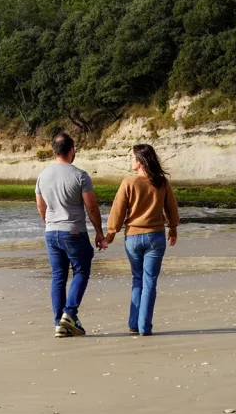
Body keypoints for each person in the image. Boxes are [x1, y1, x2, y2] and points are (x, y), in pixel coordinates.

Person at [35, 132, 106, 337]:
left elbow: (41, 206)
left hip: (51, 232)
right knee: (81, 271)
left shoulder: (43, 175)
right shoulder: (80, 175)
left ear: (53, 151)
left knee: (58, 276)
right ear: (72, 150)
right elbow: (91, 207)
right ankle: (69, 313)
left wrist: (49, 223)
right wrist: (99, 233)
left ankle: (60, 323)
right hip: (73, 231)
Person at [104, 144, 179, 336]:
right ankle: (144, 326)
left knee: (137, 279)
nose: (131, 161)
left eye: (132, 157)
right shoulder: (161, 182)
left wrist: (110, 234)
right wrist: (173, 228)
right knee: (149, 282)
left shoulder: (128, 183)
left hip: (133, 238)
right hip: (155, 236)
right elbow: (171, 208)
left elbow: (118, 211)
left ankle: (133, 323)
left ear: (140, 161)